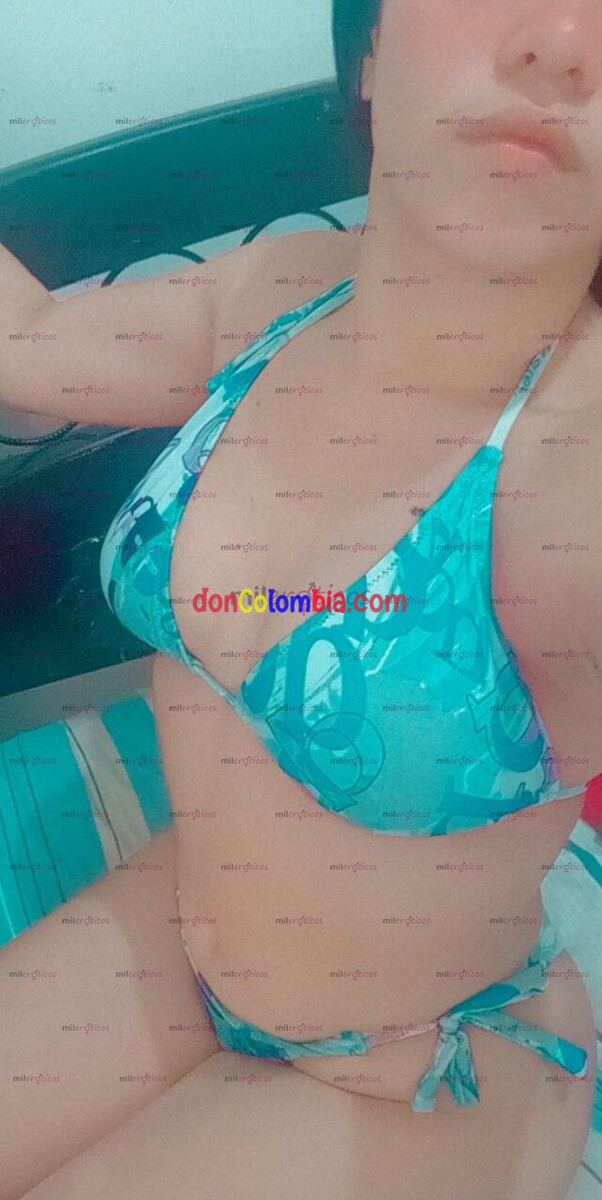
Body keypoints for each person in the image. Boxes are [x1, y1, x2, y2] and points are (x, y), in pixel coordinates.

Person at [2, 1, 601, 1196]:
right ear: (368, 50)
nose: (560, 43)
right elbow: (31, 336)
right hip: (183, 924)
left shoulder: (573, 475)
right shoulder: (277, 295)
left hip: (410, 1065)